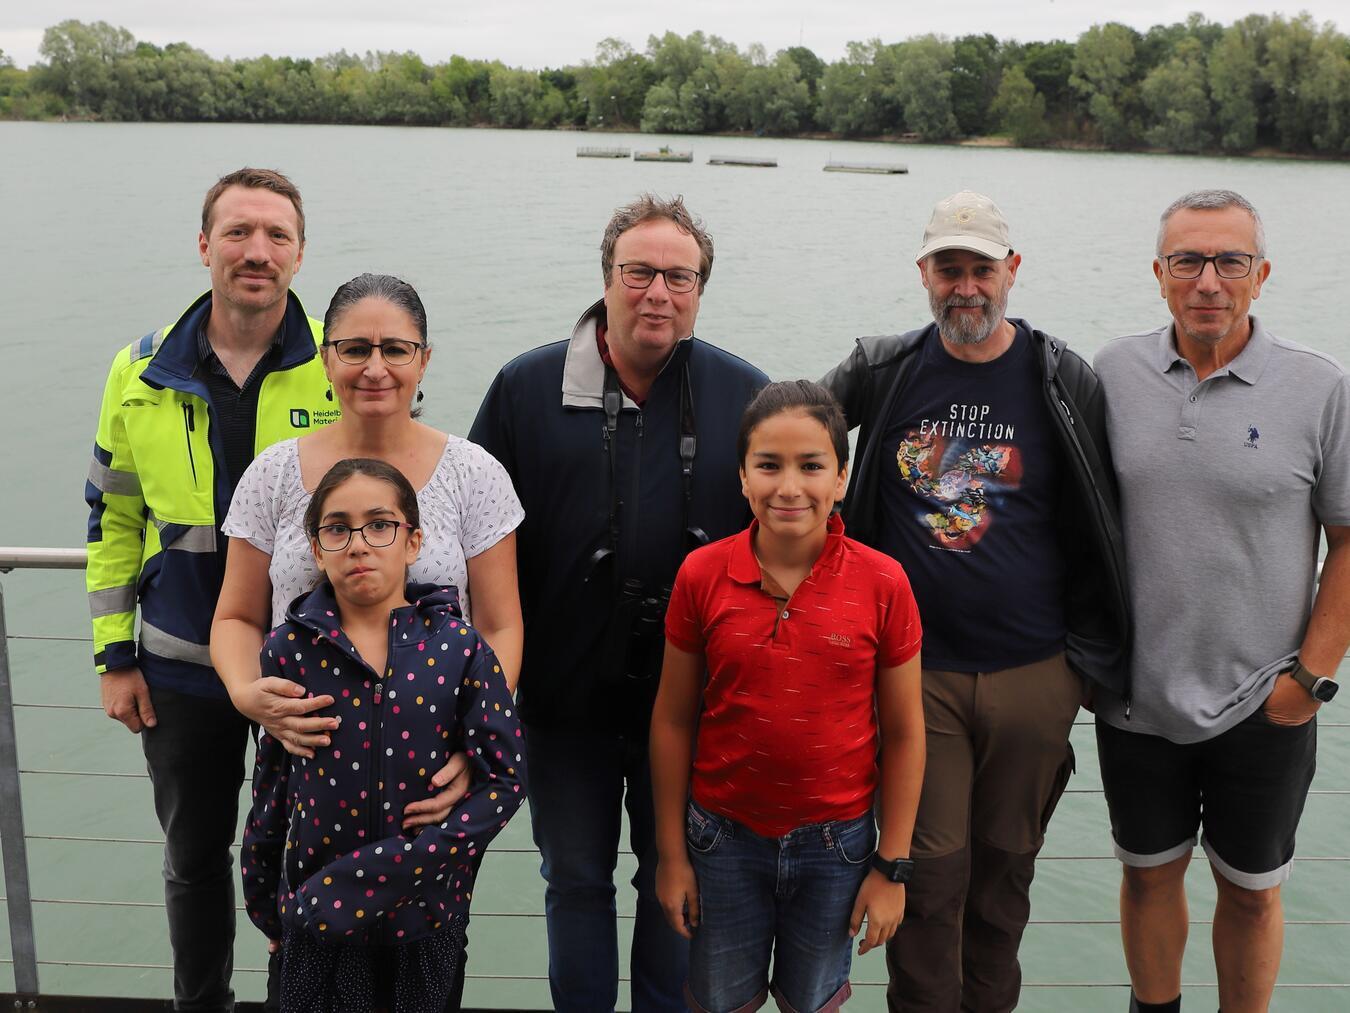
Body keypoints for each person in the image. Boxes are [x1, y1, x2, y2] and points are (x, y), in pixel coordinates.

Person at [821, 190, 1130, 1012]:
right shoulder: (881, 369)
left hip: (1037, 670)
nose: (966, 287)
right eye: (948, 269)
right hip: (913, 674)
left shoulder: (1063, 377)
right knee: (926, 875)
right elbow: (795, 441)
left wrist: (1090, 658)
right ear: (923, 273)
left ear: (1012, 271)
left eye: (981, 269)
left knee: (1002, 874)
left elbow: (1106, 513)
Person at [469, 193, 768, 1012]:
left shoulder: (746, 396)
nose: (657, 294)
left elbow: (792, 540)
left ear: (701, 290)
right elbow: (468, 541)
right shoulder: (526, 390)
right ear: (606, 279)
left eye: (679, 276)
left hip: (700, 704)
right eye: (639, 273)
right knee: (574, 880)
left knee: (680, 878)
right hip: (561, 701)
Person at [213, 272, 523, 1005]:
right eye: (354, 348)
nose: (375, 367)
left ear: (424, 358)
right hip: (310, 763)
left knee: (425, 951)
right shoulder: (274, 473)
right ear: (325, 357)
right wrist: (247, 693)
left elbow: (501, 623)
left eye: (395, 348)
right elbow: (235, 616)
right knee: (308, 949)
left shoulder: (474, 474)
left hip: (429, 769)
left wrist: (475, 746)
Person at [1092, 189, 1350, 1013]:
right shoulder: (1109, 375)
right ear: (1160, 274)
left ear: (1261, 274)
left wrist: (1309, 680)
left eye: (1229, 260)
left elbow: (1348, 540)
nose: (1208, 280)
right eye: (1188, 261)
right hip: (1137, 699)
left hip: (1266, 701)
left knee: (1252, 892)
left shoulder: (1320, 387)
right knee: (1147, 875)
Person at [84, 167, 334, 1011]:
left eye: (276, 236)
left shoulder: (344, 363)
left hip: (314, 674)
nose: (256, 251)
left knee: (313, 861)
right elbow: (114, 520)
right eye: (237, 232)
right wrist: (114, 656)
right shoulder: (140, 367)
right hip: (182, 669)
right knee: (194, 862)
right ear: (204, 246)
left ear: (300, 255)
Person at [651, 380, 925, 1013]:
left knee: (814, 1001)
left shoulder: (884, 583)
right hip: (722, 841)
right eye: (768, 466)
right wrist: (672, 856)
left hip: (838, 847)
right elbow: (671, 721)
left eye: (812, 466)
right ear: (743, 477)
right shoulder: (702, 576)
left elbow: (907, 733)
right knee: (720, 1000)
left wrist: (892, 867)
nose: (789, 487)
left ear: (842, 479)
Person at [241, 457, 526, 1012]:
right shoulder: (288, 651)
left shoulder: (459, 648)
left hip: (426, 913)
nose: (358, 544)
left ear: (413, 541)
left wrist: (426, 857)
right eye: (337, 528)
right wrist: (267, 902)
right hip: (317, 916)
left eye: (380, 525)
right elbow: (272, 786)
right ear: (317, 549)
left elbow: (506, 779)